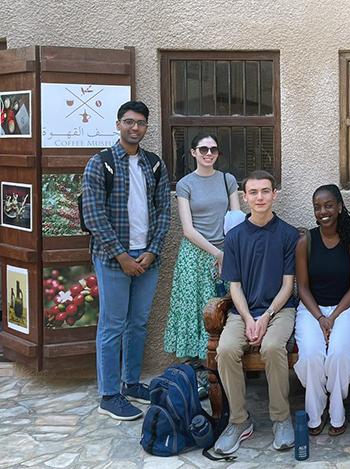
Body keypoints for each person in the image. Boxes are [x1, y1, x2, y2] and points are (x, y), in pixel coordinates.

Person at [82, 101, 170, 420]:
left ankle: (131, 383)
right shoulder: (100, 164)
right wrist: (123, 257)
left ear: (146, 128)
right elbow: (94, 216)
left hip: (147, 257)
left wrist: (151, 251)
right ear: (118, 124)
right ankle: (109, 394)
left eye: (141, 123)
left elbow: (163, 213)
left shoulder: (154, 164)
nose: (136, 128)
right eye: (130, 122)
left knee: (138, 323)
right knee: (112, 325)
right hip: (112, 258)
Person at [213, 170, 299, 455]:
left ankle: (281, 418)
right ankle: (239, 421)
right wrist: (250, 318)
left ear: (275, 194)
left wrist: (266, 318)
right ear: (244, 197)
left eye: (265, 191)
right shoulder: (235, 236)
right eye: (253, 192)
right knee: (225, 349)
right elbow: (233, 287)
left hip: (279, 309)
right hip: (243, 312)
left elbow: (288, 286)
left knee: (273, 346)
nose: (259, 197)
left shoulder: (287, 234)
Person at [294, 184, 350, 436]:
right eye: (317, 207)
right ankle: (315, 415)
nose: (322, 211)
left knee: (338, 355)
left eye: (328, 206)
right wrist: (321, 317)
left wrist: (333, 317)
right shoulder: (306, 241)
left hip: (345, 308)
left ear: (339, 207)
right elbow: (302, 287)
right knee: (312, 355)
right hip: (312, 309)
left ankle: (337, 412)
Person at [163, 133, 240, 364]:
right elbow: (188, 229)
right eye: (203, 149)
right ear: (193, 153)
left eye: (213, 150)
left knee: (222, 307)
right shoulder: (185, 184)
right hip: (195, 255)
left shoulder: (228, 180)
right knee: (193, 309)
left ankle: (220, 363)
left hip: (226, 253)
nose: (209, 154)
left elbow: (236, 221)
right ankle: (195, 370)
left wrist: (227, 252)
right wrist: (216, 253)